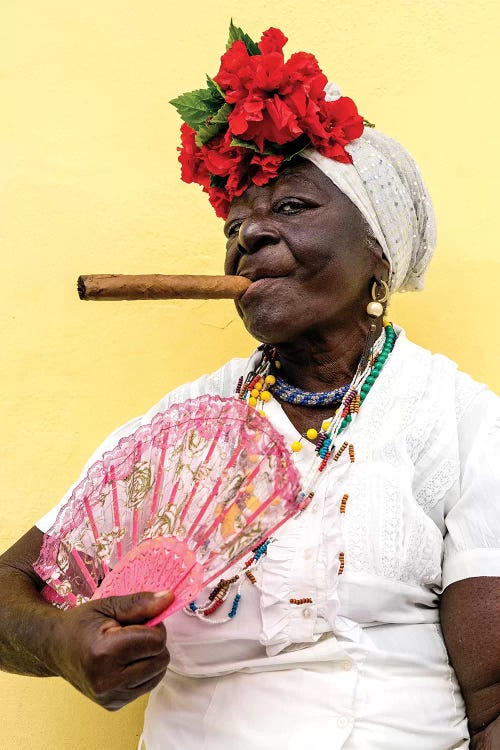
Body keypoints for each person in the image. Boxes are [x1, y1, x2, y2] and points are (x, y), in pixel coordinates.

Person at [0, 22, 499, 750]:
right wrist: (58, 644)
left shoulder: (460, 421)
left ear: (378, 256)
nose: (250, 236)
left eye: (292, 208)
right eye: (237, 223)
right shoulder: (182, 427)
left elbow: (493, 701)